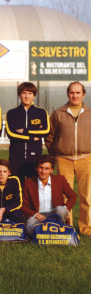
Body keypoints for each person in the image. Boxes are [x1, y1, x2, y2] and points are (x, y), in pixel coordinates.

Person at [45, 81, 91, 234]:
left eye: (78, 93)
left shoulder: (90, 113)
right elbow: (50, 137)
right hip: (63, 159)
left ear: (83, 94)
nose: (75, 95)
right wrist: (55, 154)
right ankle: (67, 226)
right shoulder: (58, 113)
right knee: (65, 197)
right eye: (72, 92)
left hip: (86, 159)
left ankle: (86, 228)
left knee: (87, 196)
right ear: (68, 94)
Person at [6, 82, 50, 184]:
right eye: (24, 93)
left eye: (30, 93)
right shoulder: (12, 113)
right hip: (16, 157)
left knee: (34, 188)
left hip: (34, 158)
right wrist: (31, 137)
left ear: (34, 96)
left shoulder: (41, 112)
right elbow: (11, 134)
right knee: (16, 187)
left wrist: (25, 131)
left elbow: (46, 131)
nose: (27, 96)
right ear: (19, 95)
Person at [22, 155, 77, 236]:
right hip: (38, 216)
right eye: (41, 168)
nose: (43, 171)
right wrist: (36, 215)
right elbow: (23, 206)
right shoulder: (28, 182)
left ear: (51, 170)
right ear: (36, 168)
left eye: (47, 168)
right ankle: (56, 231)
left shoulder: (60, 180)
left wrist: (65, 209)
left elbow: (73, 196)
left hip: (56, 214)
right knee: (29, 229)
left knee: (60, 209)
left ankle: (47, 231)